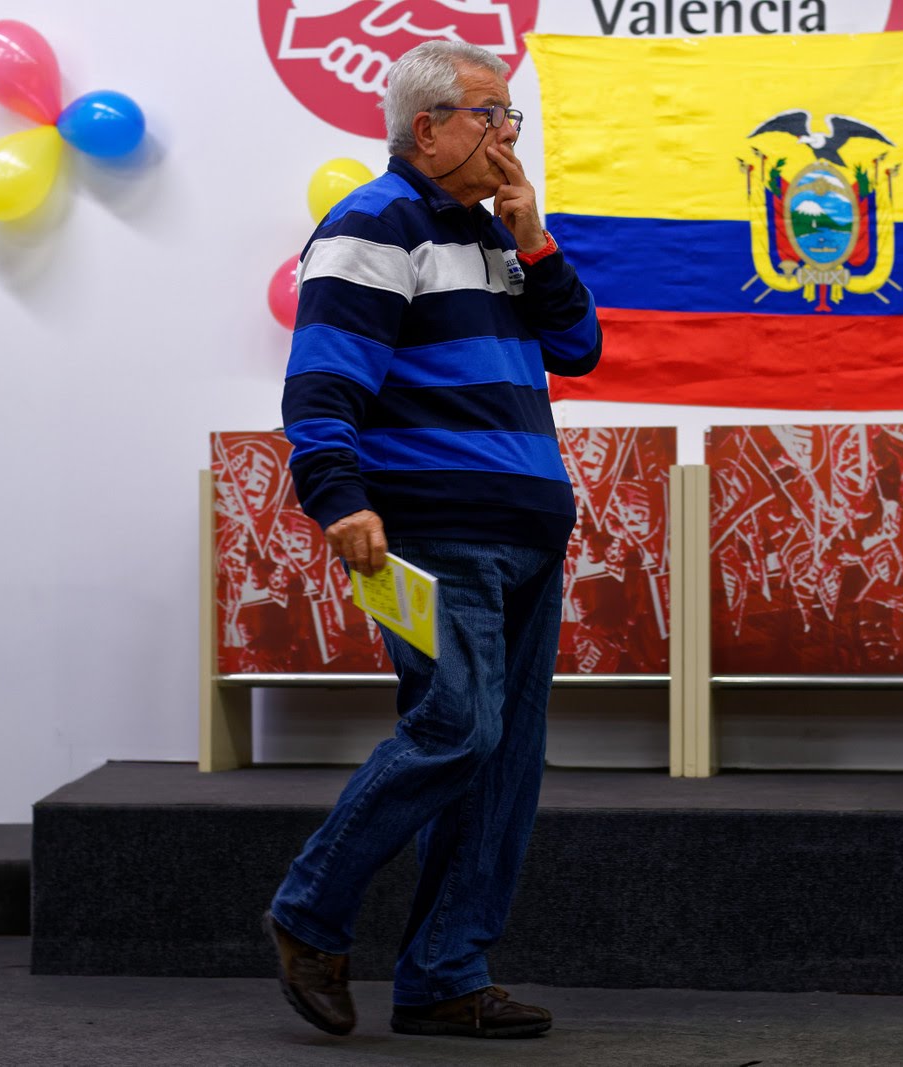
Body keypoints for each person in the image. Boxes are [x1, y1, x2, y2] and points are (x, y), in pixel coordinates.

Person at [262, 40, 602, 1040]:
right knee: (458, 726)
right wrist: (337, 496)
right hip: (434, 529)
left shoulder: (494, 235)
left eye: (513, 120)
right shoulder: (373, 222)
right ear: (428, 128)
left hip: (527, 531)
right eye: (492, 116)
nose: (508, 136)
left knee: (503, 761)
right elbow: (321, 380)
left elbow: (578, 345)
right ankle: (309, 908)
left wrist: (533, 237)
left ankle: (445, 973)